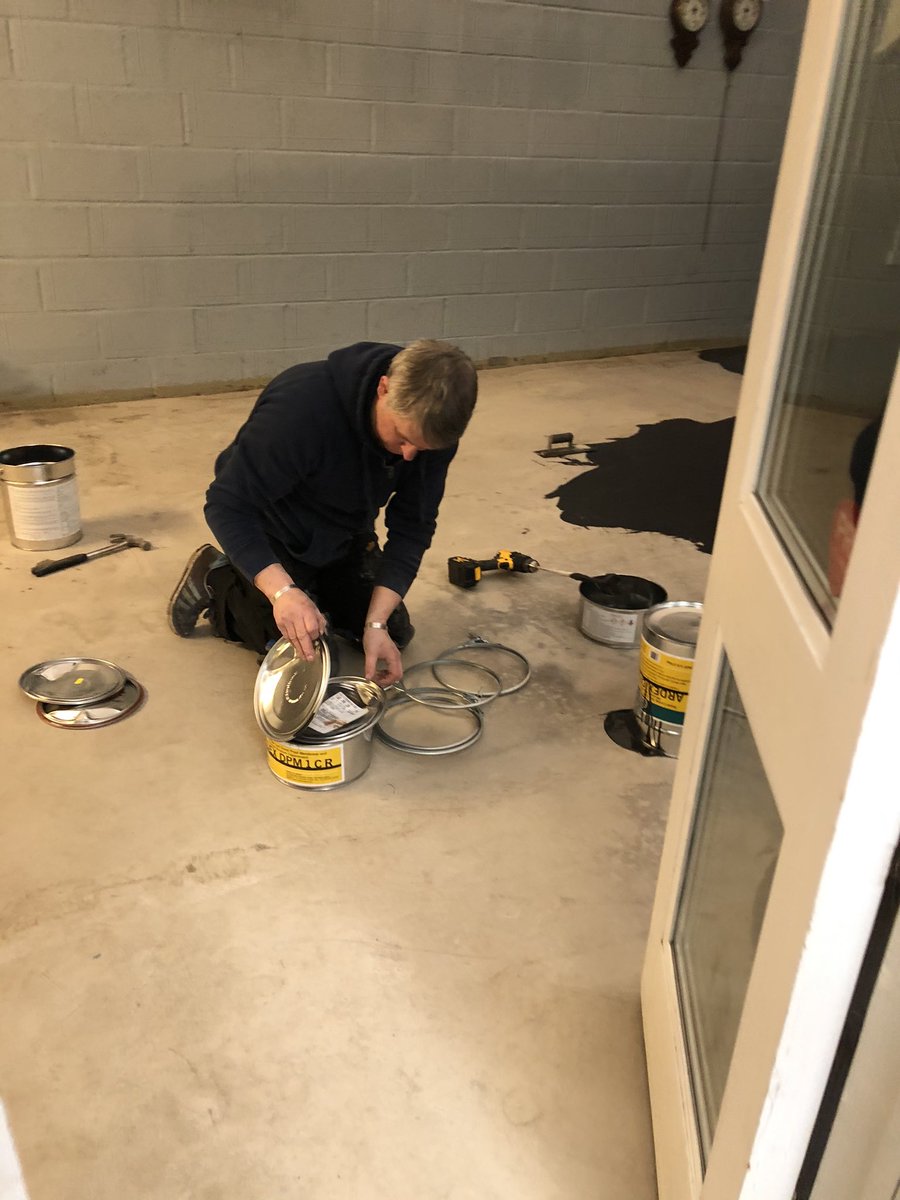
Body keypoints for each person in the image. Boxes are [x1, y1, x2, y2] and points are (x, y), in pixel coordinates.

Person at [167, 339, 478, 685]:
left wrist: (375, 624)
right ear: (384, 388)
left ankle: (319, 593)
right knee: (304, 651)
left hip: (344, 527)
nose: (408, 456)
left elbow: (412, 528)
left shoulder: (432, 431)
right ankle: (216, 577)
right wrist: (283, 593)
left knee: (393, 632)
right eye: (403, 437)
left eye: (421, 448)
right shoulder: (300, 410)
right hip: (274, 526)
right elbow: (227, 504)